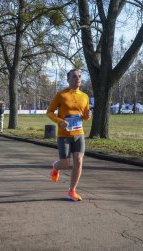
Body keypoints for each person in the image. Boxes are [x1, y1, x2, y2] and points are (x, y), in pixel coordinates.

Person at [46, 69, 92, 202]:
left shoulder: (84, 96)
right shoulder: (61, 95)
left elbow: (84, 116)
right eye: (74, 77)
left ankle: (72, 191)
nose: (78, 79)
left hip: (79, 134)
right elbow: (49, 112)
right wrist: (60, 122)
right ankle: (56, 166)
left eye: (79, 76)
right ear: (68, 79)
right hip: (64, 135)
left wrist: (87, 116)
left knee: (78, 161)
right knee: (65, 164)